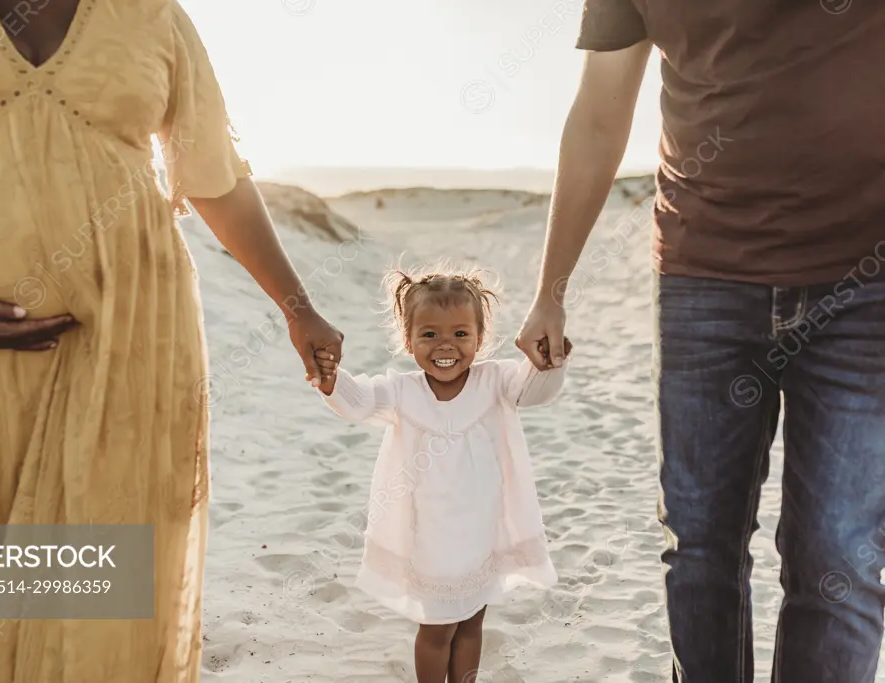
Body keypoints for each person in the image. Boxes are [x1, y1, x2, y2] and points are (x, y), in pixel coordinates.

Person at [0, 1, 342, 681]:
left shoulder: (150, 13)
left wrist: (299, 308)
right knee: (3, 582)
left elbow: (215, 176)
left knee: (120, 576)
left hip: (137, 335)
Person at [514, 2, 885, 682]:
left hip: (865, 280)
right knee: (699, 545)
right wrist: (552, 289)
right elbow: (600, 111)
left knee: (838, 554)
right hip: (703, 274)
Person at [311, 263, 572, 683]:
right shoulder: (402, 390)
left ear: (480, 338)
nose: (445, 345)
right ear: (408, 339)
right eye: (429, 334)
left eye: (460, 334)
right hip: (430, 538)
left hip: (481, 532)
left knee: (471, 623)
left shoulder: (496, 380)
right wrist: (330, 380)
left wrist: (548, 360)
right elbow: (357, 401)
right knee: (436, 629)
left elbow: (536, 391)